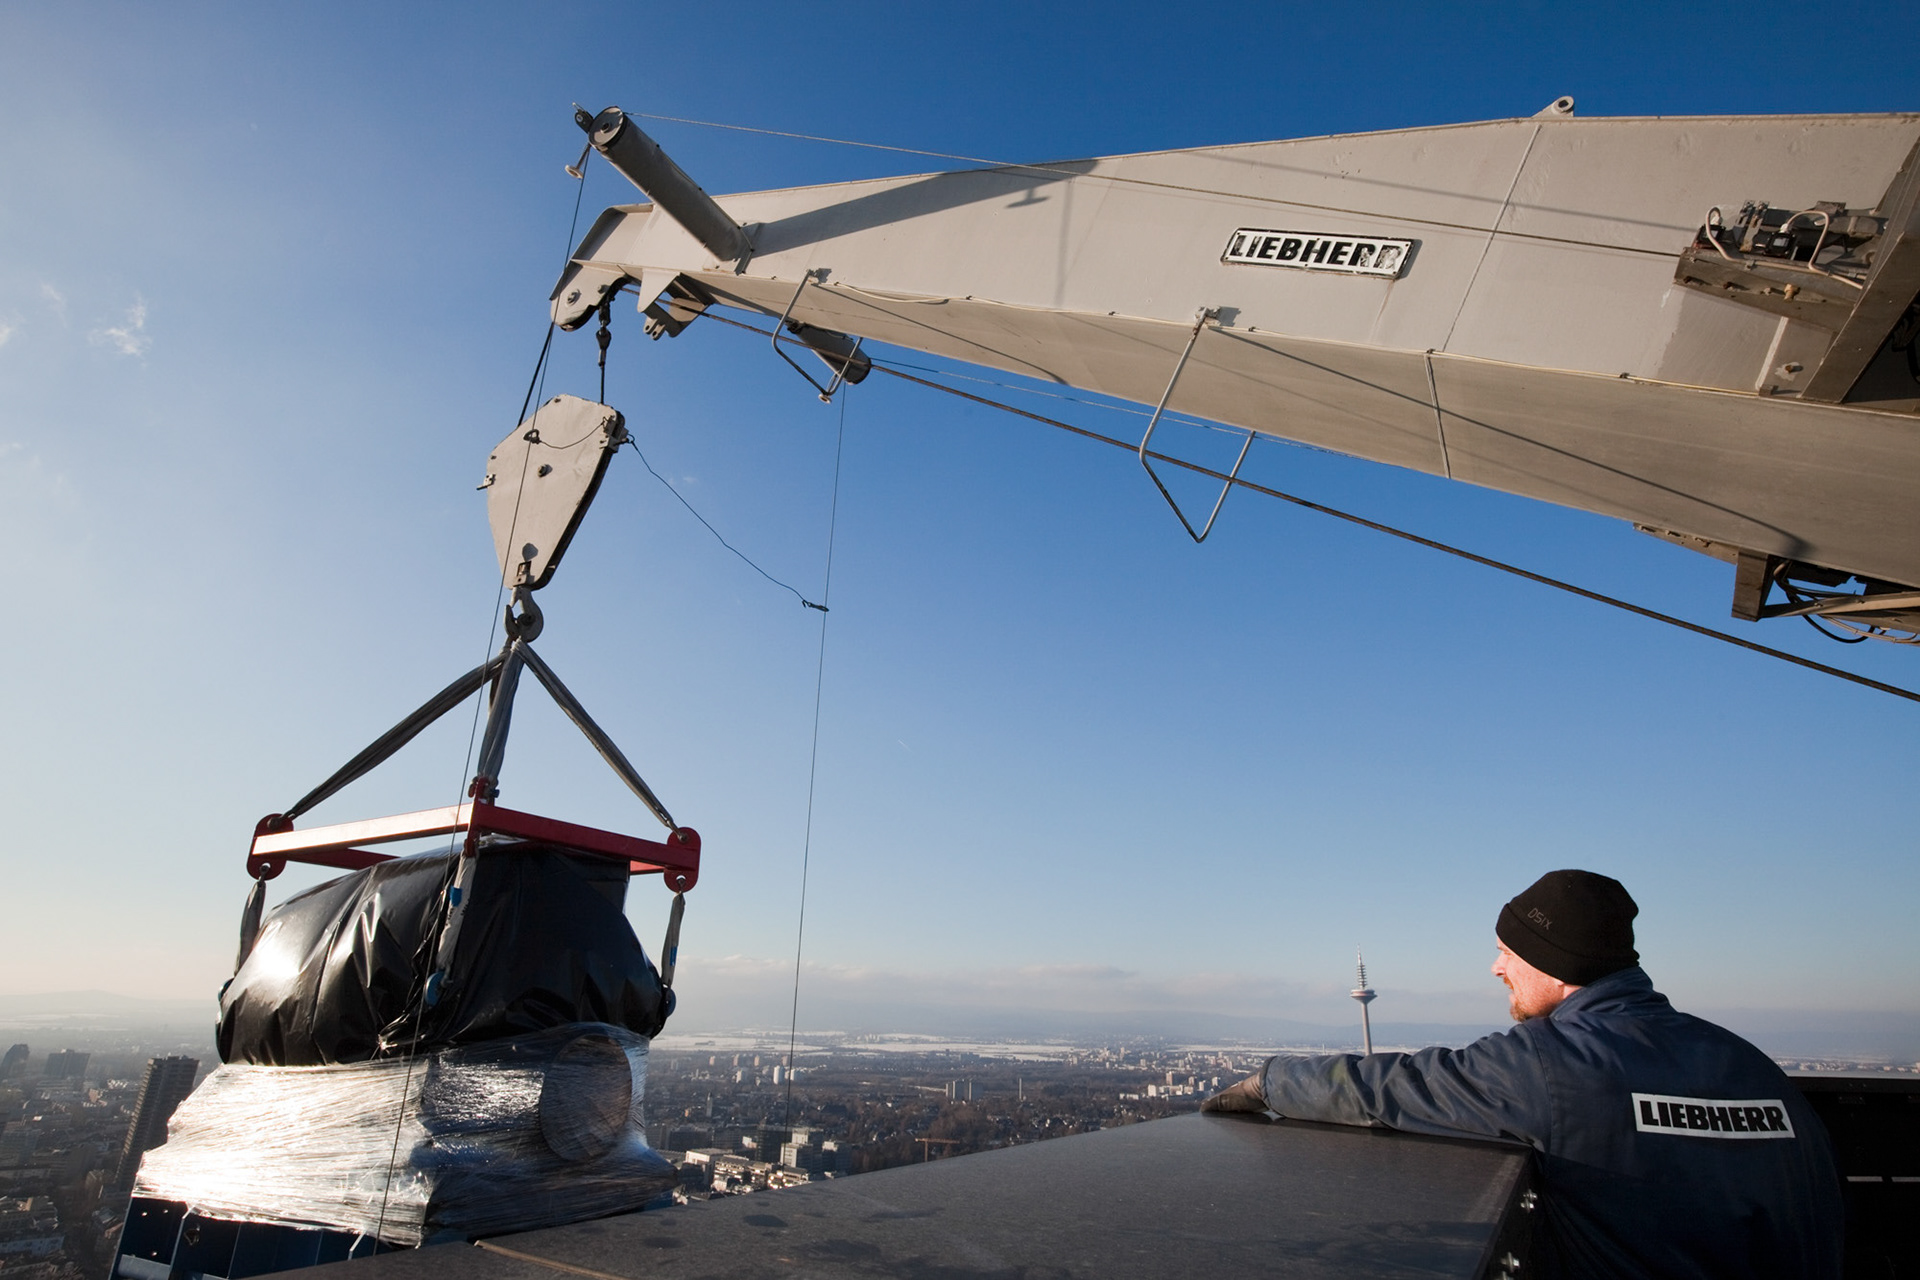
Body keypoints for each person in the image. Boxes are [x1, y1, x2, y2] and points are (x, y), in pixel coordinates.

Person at [1202, 870, 1842, 1279]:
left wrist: (1269, 1081)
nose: (1496, 968)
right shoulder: (1749, 1063)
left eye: (1508, 952)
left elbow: (1394, 1087)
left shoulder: (1553, 1062)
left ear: (1557, 968)